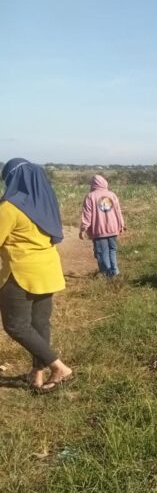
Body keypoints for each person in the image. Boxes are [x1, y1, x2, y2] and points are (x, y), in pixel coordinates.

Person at [0, 158, 74, 393]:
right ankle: (37, 374)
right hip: (48, 270)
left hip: (20, 274)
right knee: (39, 323)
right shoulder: (46, 204)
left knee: (16, 325)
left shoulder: (9, 207)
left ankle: (59, 368)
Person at [79, 174, 125, 277]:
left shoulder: (90, 197)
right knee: (112, 250)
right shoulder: (112, 195)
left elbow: (87, 215)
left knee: (102, 252)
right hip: (113, 229)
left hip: (99, 230)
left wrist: (83, 229)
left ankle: (106, 275)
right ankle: (115, 272)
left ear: (93, 184)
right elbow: (118, 211)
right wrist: (121, 225)